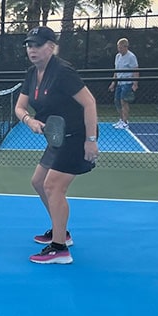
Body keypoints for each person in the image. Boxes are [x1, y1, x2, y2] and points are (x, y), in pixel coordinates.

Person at [13, 26, 99, 265]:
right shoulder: (32, 73)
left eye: (38, 45)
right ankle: (61, 231)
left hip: (77, 135)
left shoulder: (62, 71)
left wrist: (90, 141)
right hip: (56, 137)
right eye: (29, 45)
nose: (32, 49)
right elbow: (19, 107)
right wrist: (29, 120)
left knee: (53, 186)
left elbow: (90, 103)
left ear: (51, 47)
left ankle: (60, 248)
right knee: (38, 182)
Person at [108, 38, 139, 129]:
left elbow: (136, 70)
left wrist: (135, 84)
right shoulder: (117, 56)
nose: (119, 49)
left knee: (123, 101)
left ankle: (125, 122)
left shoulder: (131, 57)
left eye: (120, 47)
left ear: (126, 47)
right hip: (120, 83)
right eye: (118, 47)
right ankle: (121, 120)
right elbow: (116, 71)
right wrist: (113, 83)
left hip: (128, 82)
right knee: (117, 101)